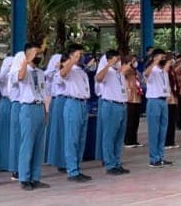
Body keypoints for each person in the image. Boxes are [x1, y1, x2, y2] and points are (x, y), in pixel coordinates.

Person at [13, 43, 50, 190]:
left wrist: (46, 112)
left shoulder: (40, 73)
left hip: (39, 107)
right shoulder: (22, 70)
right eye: (36, 54)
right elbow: (20, 78)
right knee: (27, 145)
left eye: (40, 54)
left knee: (38, 146)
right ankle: (24, 178)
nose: (38, 56)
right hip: (28, 109)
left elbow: (44, 92)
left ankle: (35, 177)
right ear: (28, 54)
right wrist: (26, 62)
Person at [59, 44, 92, 182]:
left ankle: (77, 168)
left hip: (84, 104)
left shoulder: (81, 71)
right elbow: (62, 74)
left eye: (81, 55)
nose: (81, 57)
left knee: (80, 139)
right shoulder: (69, 69)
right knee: (72, 139)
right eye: (79, 55)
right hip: (73, 103)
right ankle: (72, 171)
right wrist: (72, 60)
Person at [96, 50, 131, 175]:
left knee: (119, 137)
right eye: (116, 59)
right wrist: (108, 65)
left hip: (121, 105)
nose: (118, 62)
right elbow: (98, 78)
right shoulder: (107, 71)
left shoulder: (119, 73)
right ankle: (110, 165)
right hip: (111, 105)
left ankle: (117, 162)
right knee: (109, 136)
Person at [145, 49, 173, 167]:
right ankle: (153, 158)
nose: (163, 59)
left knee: (162, 131)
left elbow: (166, 85)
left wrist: (169, 95)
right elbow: (145, 74)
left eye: (164, 57)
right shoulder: (153, 70)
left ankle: (160, 156)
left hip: (163, 101)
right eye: (161, 57)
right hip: (154, 101)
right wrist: (154, 61)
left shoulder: (163, 71)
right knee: (154, 131)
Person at [44, 53, 66, 171]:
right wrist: (57, 68)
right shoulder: (53, 73)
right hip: (57, 99)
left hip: (64, 100)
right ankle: (57, 159)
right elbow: (47, 76)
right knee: (58, 131)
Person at [0, 55, 14, 172]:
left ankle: (13, 160)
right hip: (6, 102)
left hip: (15, 103)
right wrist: (7, 69)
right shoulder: (3, 77)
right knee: (5, 132)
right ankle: (2, 162)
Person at [123, 54, 143, 148]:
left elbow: (141, 80)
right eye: (133, 60)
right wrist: (128, 64)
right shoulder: (126, 69)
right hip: (130, 97)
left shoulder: (135, 71)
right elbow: (122, 73)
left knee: (136, 120)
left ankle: (134, 140)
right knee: (130, 120)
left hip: (137, 97)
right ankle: (128, 140)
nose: (135, 62)